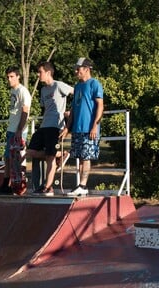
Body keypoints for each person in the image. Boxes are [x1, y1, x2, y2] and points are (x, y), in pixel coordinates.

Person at [26, 61, 73, 196]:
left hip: (55, 126)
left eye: (40, 72)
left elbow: (76, 93)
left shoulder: (58, 85)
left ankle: (48, 187)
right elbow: (46, 108)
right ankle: (61, 154)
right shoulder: (43, 90)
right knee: (31, 152)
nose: (37, 75)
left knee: (49, 157)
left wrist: (71, 111)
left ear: (48, 73)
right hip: (44, 125)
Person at [59, 57, 104, 196]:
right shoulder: (77, 86)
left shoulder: (94, 84)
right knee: (79, 156)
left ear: (86, 69)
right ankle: (80, 186)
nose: (76, 71)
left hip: (89, 128)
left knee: (86, 156)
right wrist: (67, 128)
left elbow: (100, 105)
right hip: (77, 128)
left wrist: (94, 126)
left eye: (78, 69)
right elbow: (73, 109)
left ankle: (83, 186)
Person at [0, 66, 32, 195]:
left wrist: (20, 129)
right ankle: (6, 185)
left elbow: (25, 111)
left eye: (12, 76)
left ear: (18, 76)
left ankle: (17, 185)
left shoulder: (22, 91)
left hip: (18, 130)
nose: (9, 79)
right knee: (7, 157)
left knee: (16, 159)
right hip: (11, 129)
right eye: (8, 77)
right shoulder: (13, 91)